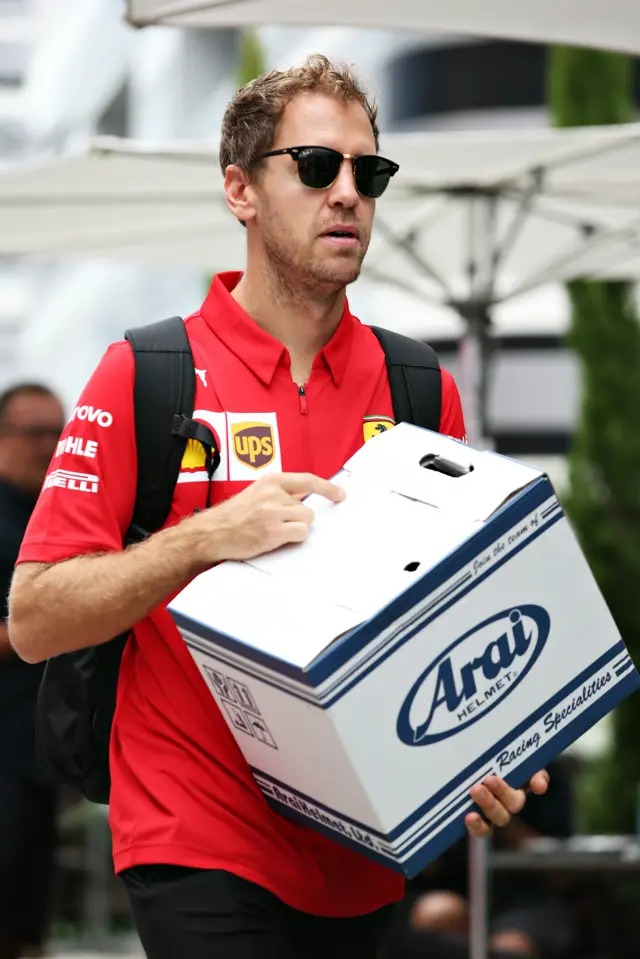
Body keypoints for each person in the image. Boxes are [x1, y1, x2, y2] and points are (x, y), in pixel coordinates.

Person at [8, 56, 549, 959]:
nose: (347, 193)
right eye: (314, 167)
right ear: (241, 190)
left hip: (364, 853)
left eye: (367, 173)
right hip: (195, 832)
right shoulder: (146, 374)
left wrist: (486, 758)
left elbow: (452, 624)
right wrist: (202, 540)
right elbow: (32, 617)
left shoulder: (419, 389)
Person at [386, 757, 576, 959]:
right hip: (444, 895)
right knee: (435, 912)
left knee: (512, 947)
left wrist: (498, 814)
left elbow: (561, 871)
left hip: (524, 898)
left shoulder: (543, 764)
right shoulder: (417, 768)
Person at [0, 383, 65, 959]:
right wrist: (39, 619)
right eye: (34, 434)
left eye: (58, 433)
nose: (49, 447)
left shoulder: (61, 515)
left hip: (41, 752)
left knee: (29, 920)